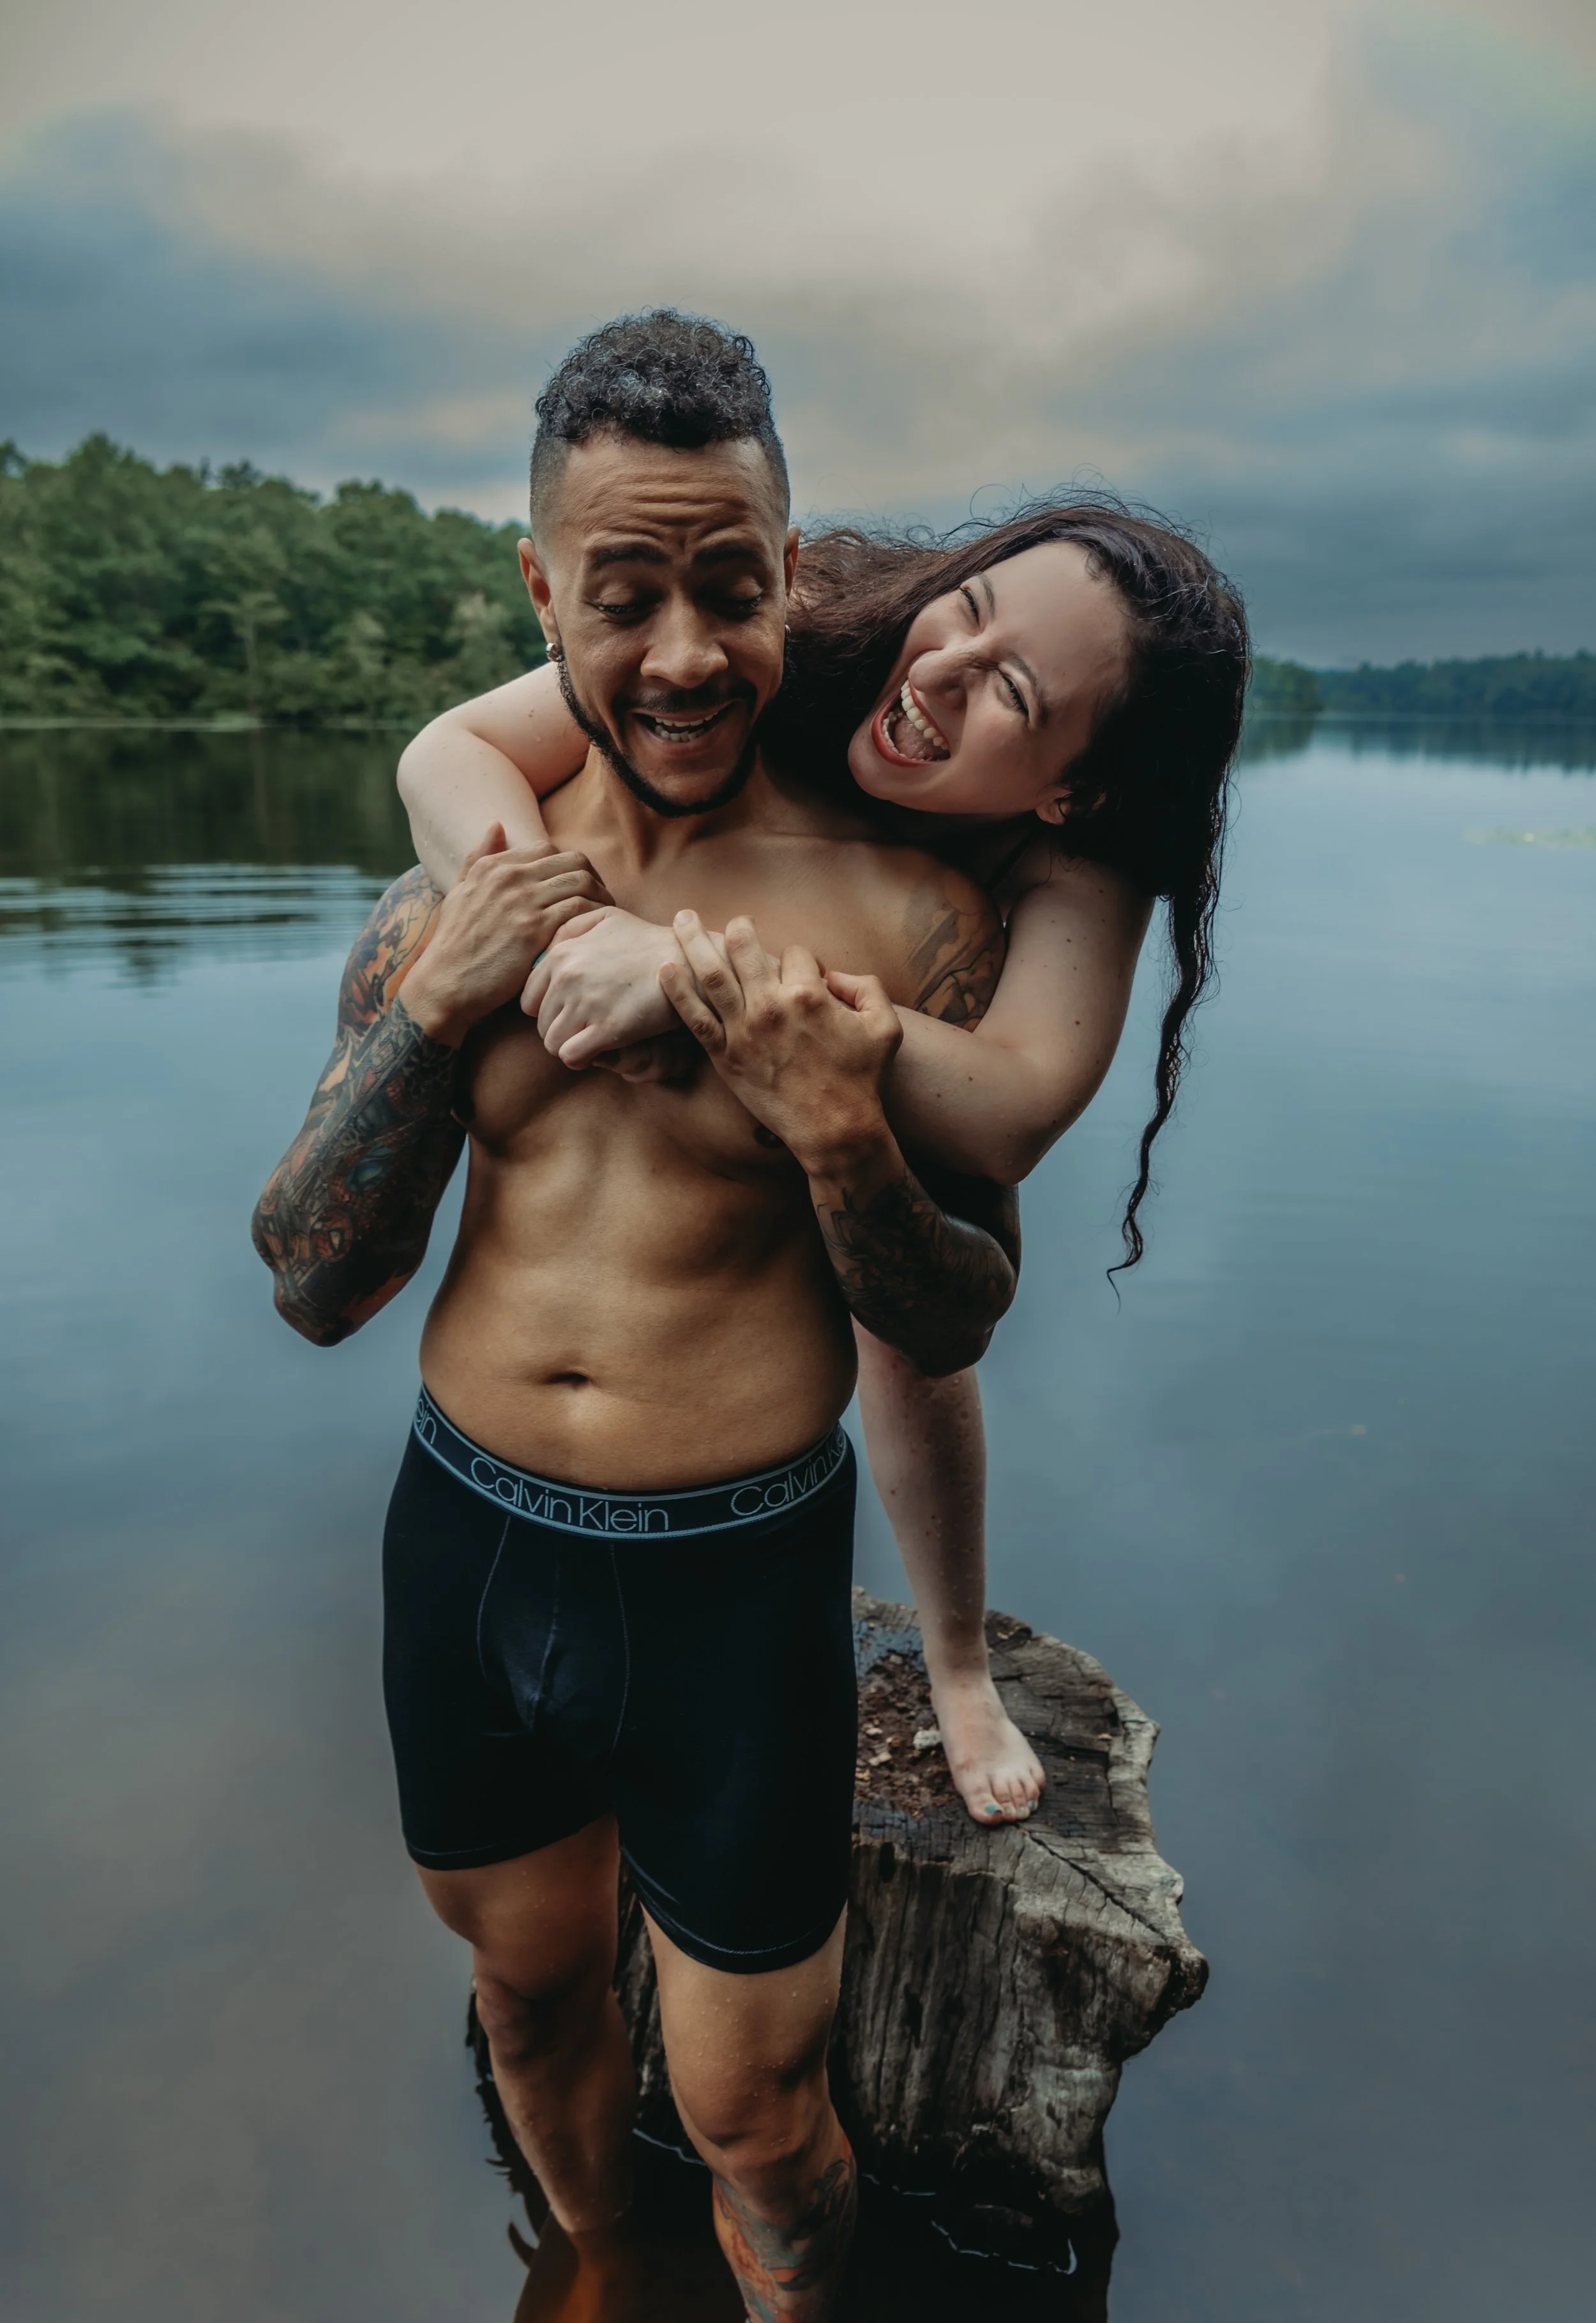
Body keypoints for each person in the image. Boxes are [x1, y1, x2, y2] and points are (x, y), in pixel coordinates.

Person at [252, 311, 1020, 2323]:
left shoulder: (906, 912)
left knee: (760, 2111)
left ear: (790, 566)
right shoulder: (454, 888)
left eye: (727, 583)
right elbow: (315, 1280)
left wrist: (838, 1125)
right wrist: (438, 1005)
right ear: (540, 594)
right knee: (522, 1991)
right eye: (623, 594)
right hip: (470, 1538)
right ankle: (594, 2268)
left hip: (732, 1577)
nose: (682, 653)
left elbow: (959, 1309)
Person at [398, 468, 1250, 1829]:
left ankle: (957, 1664)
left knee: (912, 1327)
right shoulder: (812, 646)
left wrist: (689, 980)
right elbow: (443, 753)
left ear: (1071, 791)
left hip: (884, 1039)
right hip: (731, 991)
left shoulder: (1084, 859)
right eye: (961, 614)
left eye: (1010, 698)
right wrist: (565, 942)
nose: (943, 674)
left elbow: (1018, 1104)